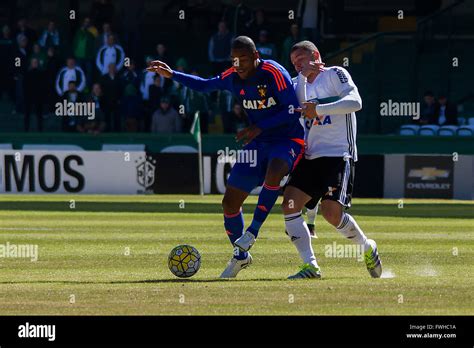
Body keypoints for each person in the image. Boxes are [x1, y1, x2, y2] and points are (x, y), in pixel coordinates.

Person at [147, 36, 304, 278]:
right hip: (258, 142)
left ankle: (252, 231)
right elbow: (204, 85)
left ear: (255, 57)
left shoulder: (273, 71)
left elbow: (293, 110)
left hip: (287, 139)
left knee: (275, 171)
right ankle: (240, 257)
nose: (238, 64)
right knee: (230, 203)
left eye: (243, 59)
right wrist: (173, 75)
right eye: (234, 59)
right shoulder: (232, 76)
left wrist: (260, 127)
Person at [281, 40, 382, 279]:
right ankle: (311, 266)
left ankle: (367, 247)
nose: (298, 65)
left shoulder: (336, 73)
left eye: (302, 59)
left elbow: (355, 103)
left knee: (331, 213)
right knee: (290, 205)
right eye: (294, 62)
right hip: (309, 155)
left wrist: (319, 109)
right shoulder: (297, 84)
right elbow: (293, 110)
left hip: (338, 153)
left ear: (315, 55)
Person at [23, 58, 45, 131]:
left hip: (38, 97)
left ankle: (40, 129)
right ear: (31, 63)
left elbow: (42, 86)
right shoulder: (27, 73)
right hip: (29, 96)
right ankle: (26, 129)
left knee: (39, 114)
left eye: (36, 62)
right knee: (27, 114)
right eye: (33, 62)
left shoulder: (41, 73)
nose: (35, 63)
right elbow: (25, 86)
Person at [100, 63, 122, 131]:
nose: (112, 69)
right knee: (107, 117)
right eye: (111, 67)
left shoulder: (119, 78)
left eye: (113, 67)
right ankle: (107, 130)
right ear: (108, 68)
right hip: (106, 101)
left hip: (116, 101)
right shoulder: (104, 78)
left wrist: (119, 99)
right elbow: (102, 89)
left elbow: (121, 89)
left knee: (117, 117)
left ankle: (117, 131)